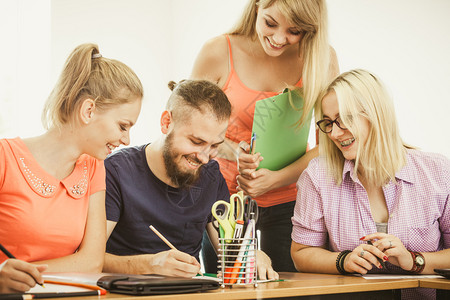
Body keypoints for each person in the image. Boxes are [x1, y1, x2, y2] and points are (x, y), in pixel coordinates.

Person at [191, 0, 339, 272]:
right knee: (227, 286)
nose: (279, 38)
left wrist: (274, 180)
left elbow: (330, 145)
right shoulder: (217, 52)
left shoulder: (321, 58)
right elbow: (192, 129)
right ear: (257, 5)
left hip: (293, 199)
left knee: (291, 286)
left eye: (295, 30)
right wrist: (235, 152)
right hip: (225, 198)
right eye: (270, 23)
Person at [291, 69, 450, 299]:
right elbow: (301, 252)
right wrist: (343, 260)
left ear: (376, 114)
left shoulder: (437, 171)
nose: (335, 133)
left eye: (343, 119)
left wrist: (412, 259)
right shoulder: (317, 176)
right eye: (328, 122)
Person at [0, 43, 143, 293]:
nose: (127, 140)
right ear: (88, 110)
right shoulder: (4, 157)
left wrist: (25, 272)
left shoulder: (94, 168)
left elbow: (91, 262)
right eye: (122, 126)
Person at [103, 79, 278, 280]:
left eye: (215, 146)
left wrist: (253, 256)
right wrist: (150, 264)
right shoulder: (116, 171)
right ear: (166, 123)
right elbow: (91, 260)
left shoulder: (211, 176)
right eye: (196, 142)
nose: (204, 157)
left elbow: (231, 253)